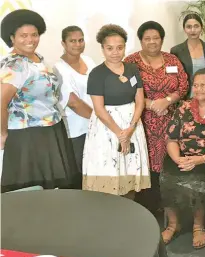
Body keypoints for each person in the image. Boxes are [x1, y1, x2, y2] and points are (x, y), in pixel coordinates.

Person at [0, 9, 79, 192]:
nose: (30, 40)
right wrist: (2, 135)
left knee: (52, 189)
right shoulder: (15, 64)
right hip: (27, 136)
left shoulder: (38, 59)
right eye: (23, 35)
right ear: (12, 37)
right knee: (30, 192)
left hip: (50, 129)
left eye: (34, 35)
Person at [161, 69, 205, 249]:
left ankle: (198, 226)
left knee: (198, 182)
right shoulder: (184, 107)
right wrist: (178, 159)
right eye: (196, 85)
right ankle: (173, 224)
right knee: (165, 177)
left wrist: (199, 159)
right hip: (183, 156)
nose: (198, 89)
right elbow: (171, 138)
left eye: (203, 85)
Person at [124, 21, 189, 214]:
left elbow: (183, 86)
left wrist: (167, 100)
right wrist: (151, 104)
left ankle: (169, 205)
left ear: (162, 39)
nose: (152, 42)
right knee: (146, 162)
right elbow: (126, 91)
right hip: (143, 122)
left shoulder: (172, 60)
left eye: (156, 38)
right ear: (141, 40)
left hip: (171, 121)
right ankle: (147, 206)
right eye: (147, 38)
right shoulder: (131, 63)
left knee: (169, 161)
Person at [83, 24, 151, 197]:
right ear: (102, 49)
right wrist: (120, 134)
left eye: (119, 48)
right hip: (107, 127)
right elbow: (99, 109)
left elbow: (139, 100)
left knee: (129, 167)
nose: (115, 52)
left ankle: (130, 210)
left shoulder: (132, 69)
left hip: (131, 124)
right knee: (109, 170)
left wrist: (131, 128)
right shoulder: (97, 74)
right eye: (110, 48)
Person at [53, 26, 97, 175]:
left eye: (81, 40)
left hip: (95, 127)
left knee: (94, 171)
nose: (78, 44)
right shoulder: (59, 68)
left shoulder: (89, 60)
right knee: (78, 173)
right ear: (63, 44)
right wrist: (100, 119)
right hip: (76, 131)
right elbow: (74, 103)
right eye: (72, 41)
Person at [170, 13, 205, 98]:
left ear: (201, 28)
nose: (193, 30)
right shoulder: (176, 51)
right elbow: (173, 77)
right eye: (189, 27)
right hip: (186, 97)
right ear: (184, 29)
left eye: (196, 26)